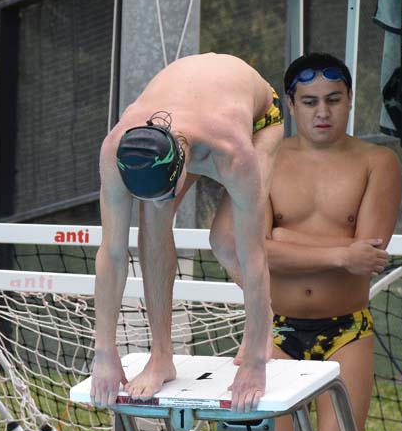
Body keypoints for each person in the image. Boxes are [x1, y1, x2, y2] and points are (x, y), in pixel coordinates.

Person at [238, 53, 401, 431]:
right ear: (290, 104)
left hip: (346, 334)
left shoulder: (376, 162)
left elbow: (372, 251)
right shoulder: (267, 159)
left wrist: (282, 240)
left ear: (349, 100)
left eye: (333, 99)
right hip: (276, 333)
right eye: (310, 102)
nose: (323, 111)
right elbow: (250, 246)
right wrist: (336, 252)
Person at [91, 53, 286, 411]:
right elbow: (112, 253)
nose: (167, 201)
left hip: (259, 121)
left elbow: (253, 252)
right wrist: (104, 350)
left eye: (169, 191)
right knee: (152, 220)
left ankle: (262, 327)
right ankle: (161, 357)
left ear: (183, 163)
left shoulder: (232, 152)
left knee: (228, 242)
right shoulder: (116, 149)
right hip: (193, 114)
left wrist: (256, 364)